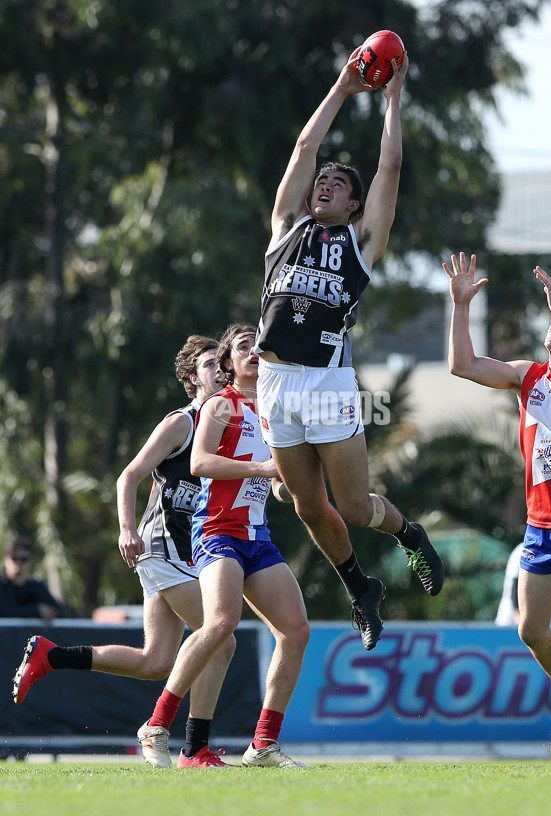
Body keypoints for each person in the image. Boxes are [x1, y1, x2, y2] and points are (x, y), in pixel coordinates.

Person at [253, 47, 444, 653]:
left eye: (338, 183)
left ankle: (409, 533)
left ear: (355, 205)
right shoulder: (287, 227)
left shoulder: (360, 242)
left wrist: (392, 96)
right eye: (322, 181)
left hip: (328, 383)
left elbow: (388, 169)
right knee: (309, 509)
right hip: (275, 385)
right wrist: (340, 87)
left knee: (356, 508)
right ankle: (360, 587)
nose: (325, 183)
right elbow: (303, 150)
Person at [13, 335, 236, 769]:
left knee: (156, 661)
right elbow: (129, 475)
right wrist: (127, 528)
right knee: (220, 637)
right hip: (159, 546)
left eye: (221, 363)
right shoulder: (182, 422)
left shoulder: (225, 427)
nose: (221, 370)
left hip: (184, 551)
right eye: (210, 364)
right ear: (192, 378)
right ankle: (196, 748)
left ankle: (50, 656)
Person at [444, 251, 551, 757]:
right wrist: (461, 305)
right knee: (531, 628)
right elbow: (461, 365)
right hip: (543, 526)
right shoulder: (528, 378)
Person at [139, 323, 310, 770]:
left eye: (258, 344)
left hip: (257, 537)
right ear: (230, 364)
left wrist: (290, 485)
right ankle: (157, 724)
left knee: (295, 631)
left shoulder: (273, 412)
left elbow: (275, 486)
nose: (253, 351)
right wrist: (265, 467)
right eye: (242, 346)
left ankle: (263, 745)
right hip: (217, 530)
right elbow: (199, 463)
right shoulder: (220, 404)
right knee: (220, 623)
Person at [495, 541, 551, 626]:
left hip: (549, 624)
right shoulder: (524, 549)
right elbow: (515, 583)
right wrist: (518, 614)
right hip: (512, 621)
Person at [0, 536, 63, 620]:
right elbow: (5, 612)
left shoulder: (36, 586)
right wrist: (36, 610)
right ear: (5, 559)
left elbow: (59, 611)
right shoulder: (2, 585)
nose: (19, 562)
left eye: (24, 559)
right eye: (14, 558)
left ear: (30, 562)